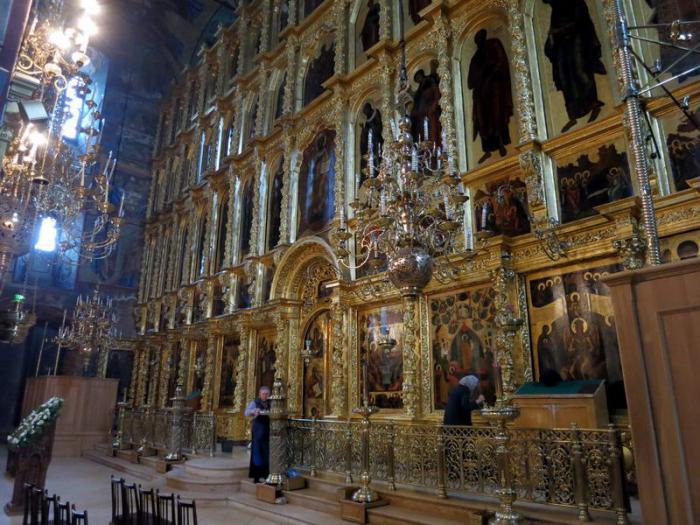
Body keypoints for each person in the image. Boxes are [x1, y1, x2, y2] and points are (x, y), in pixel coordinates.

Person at [245, 386, 271, 483]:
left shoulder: (271, 403)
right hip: (258, 431)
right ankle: (256, 477)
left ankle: (266, 475)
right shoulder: (254, 403)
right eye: (263, 394)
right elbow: (246, 413)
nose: (265, 396)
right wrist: (253, 411)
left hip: (267, 431)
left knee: (266, 452)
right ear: (260, 394)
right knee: (257, 452)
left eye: (267, 394)